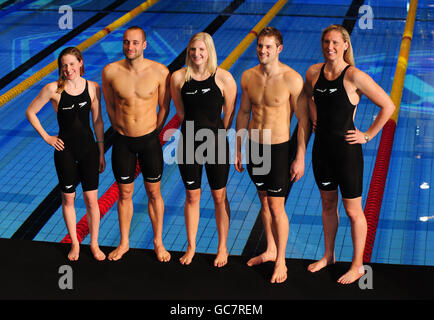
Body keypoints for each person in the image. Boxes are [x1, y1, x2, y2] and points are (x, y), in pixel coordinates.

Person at [304, 24, 395, 284]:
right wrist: (314, 120)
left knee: (353, 211)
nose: (329, 47)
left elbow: (388, 105)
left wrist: (367, 135)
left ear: (345, 45)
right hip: (321, 150)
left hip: (346, 153)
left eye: (335, 43)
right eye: (326, 42)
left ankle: (357, 265)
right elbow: (310, 98)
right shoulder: (313, 73)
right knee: (328, 205)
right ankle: (329, 255)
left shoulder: (354, 75)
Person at [235, 27, 309, 283]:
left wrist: (299, 156)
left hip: (278, 149)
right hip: (255, 147)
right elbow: (243, 113)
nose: (262, 51)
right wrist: (238, 147)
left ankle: (281, 261)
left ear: (279, 49)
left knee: (277, 207)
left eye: (268, 47)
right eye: (259, 46)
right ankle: (270, 249)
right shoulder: (248, 76)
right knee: (264, 201)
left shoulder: (292, 79)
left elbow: (304, 121)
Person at [26, 47, 106, 261]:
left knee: (91, 199)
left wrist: (101, 152)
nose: (68, 69)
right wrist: (47, 137)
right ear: (60, 68)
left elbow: (98, 121)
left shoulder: (93, 88)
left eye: (72, 64)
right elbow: (30, 112)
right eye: (64, 65)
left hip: (89, 149)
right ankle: (75, 244)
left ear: (80, 63)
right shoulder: (53, 89)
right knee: (68, 198)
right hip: (65, 151)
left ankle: (95, 243)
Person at [101, 26, 171, 262]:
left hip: (149, 141)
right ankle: (124, 243)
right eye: (126, 42)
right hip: (122, 142)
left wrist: (153, 131)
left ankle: (158, 242)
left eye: (134, 43)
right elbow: (110, 106)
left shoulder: (160, 71)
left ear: (144, 45)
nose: (129, 47)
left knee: (154, 192)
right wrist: (119, 127)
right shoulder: (110, 71)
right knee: (124, 193)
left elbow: (164, 107)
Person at [170, 32, 237, 267]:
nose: (196, 54)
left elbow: (228, 116)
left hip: (216, 142)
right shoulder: (178, 78)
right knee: (192, 195)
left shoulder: (224, 79)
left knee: (219, 196)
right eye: (192, 50)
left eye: (201, 50)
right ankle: (191, 246)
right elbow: (180, 113)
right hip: (188, 142)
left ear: (209, 51)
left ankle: (222, 247)